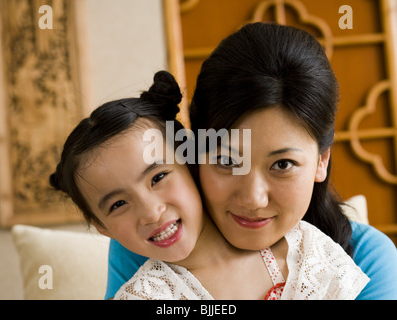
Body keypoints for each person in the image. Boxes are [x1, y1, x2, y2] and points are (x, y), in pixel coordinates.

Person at [104, 23, 397, 300]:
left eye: (282, 165)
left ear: (322, 160)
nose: (253, 198)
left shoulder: (366, 258)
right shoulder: (155, 239)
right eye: (226, 161)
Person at [50, 70, 368, 300]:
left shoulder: (307, 252)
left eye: (158, 178)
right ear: (100, 226)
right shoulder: (146, 296)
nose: (151, 211)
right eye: (118, 204)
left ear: (192, 162)